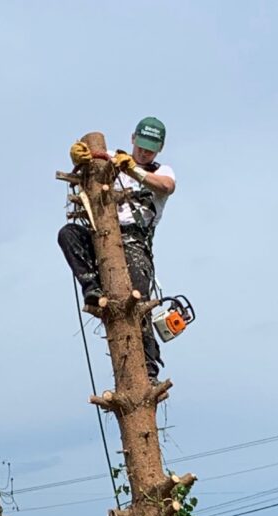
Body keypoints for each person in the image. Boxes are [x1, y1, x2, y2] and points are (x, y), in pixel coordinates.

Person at [57, 116, 176, 382]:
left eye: (150, 148)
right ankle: (92, 288)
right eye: (141, 145)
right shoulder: (112, 157)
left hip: (135, 243)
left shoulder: (161, 171)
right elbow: (88, 159)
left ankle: (148, 369)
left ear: (159, 149)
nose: (143, 152)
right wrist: (78, 155)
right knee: (69, 234)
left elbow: (167, 187)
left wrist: (135, 170)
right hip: (102, 235)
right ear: (133, 139)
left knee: (137, 303)